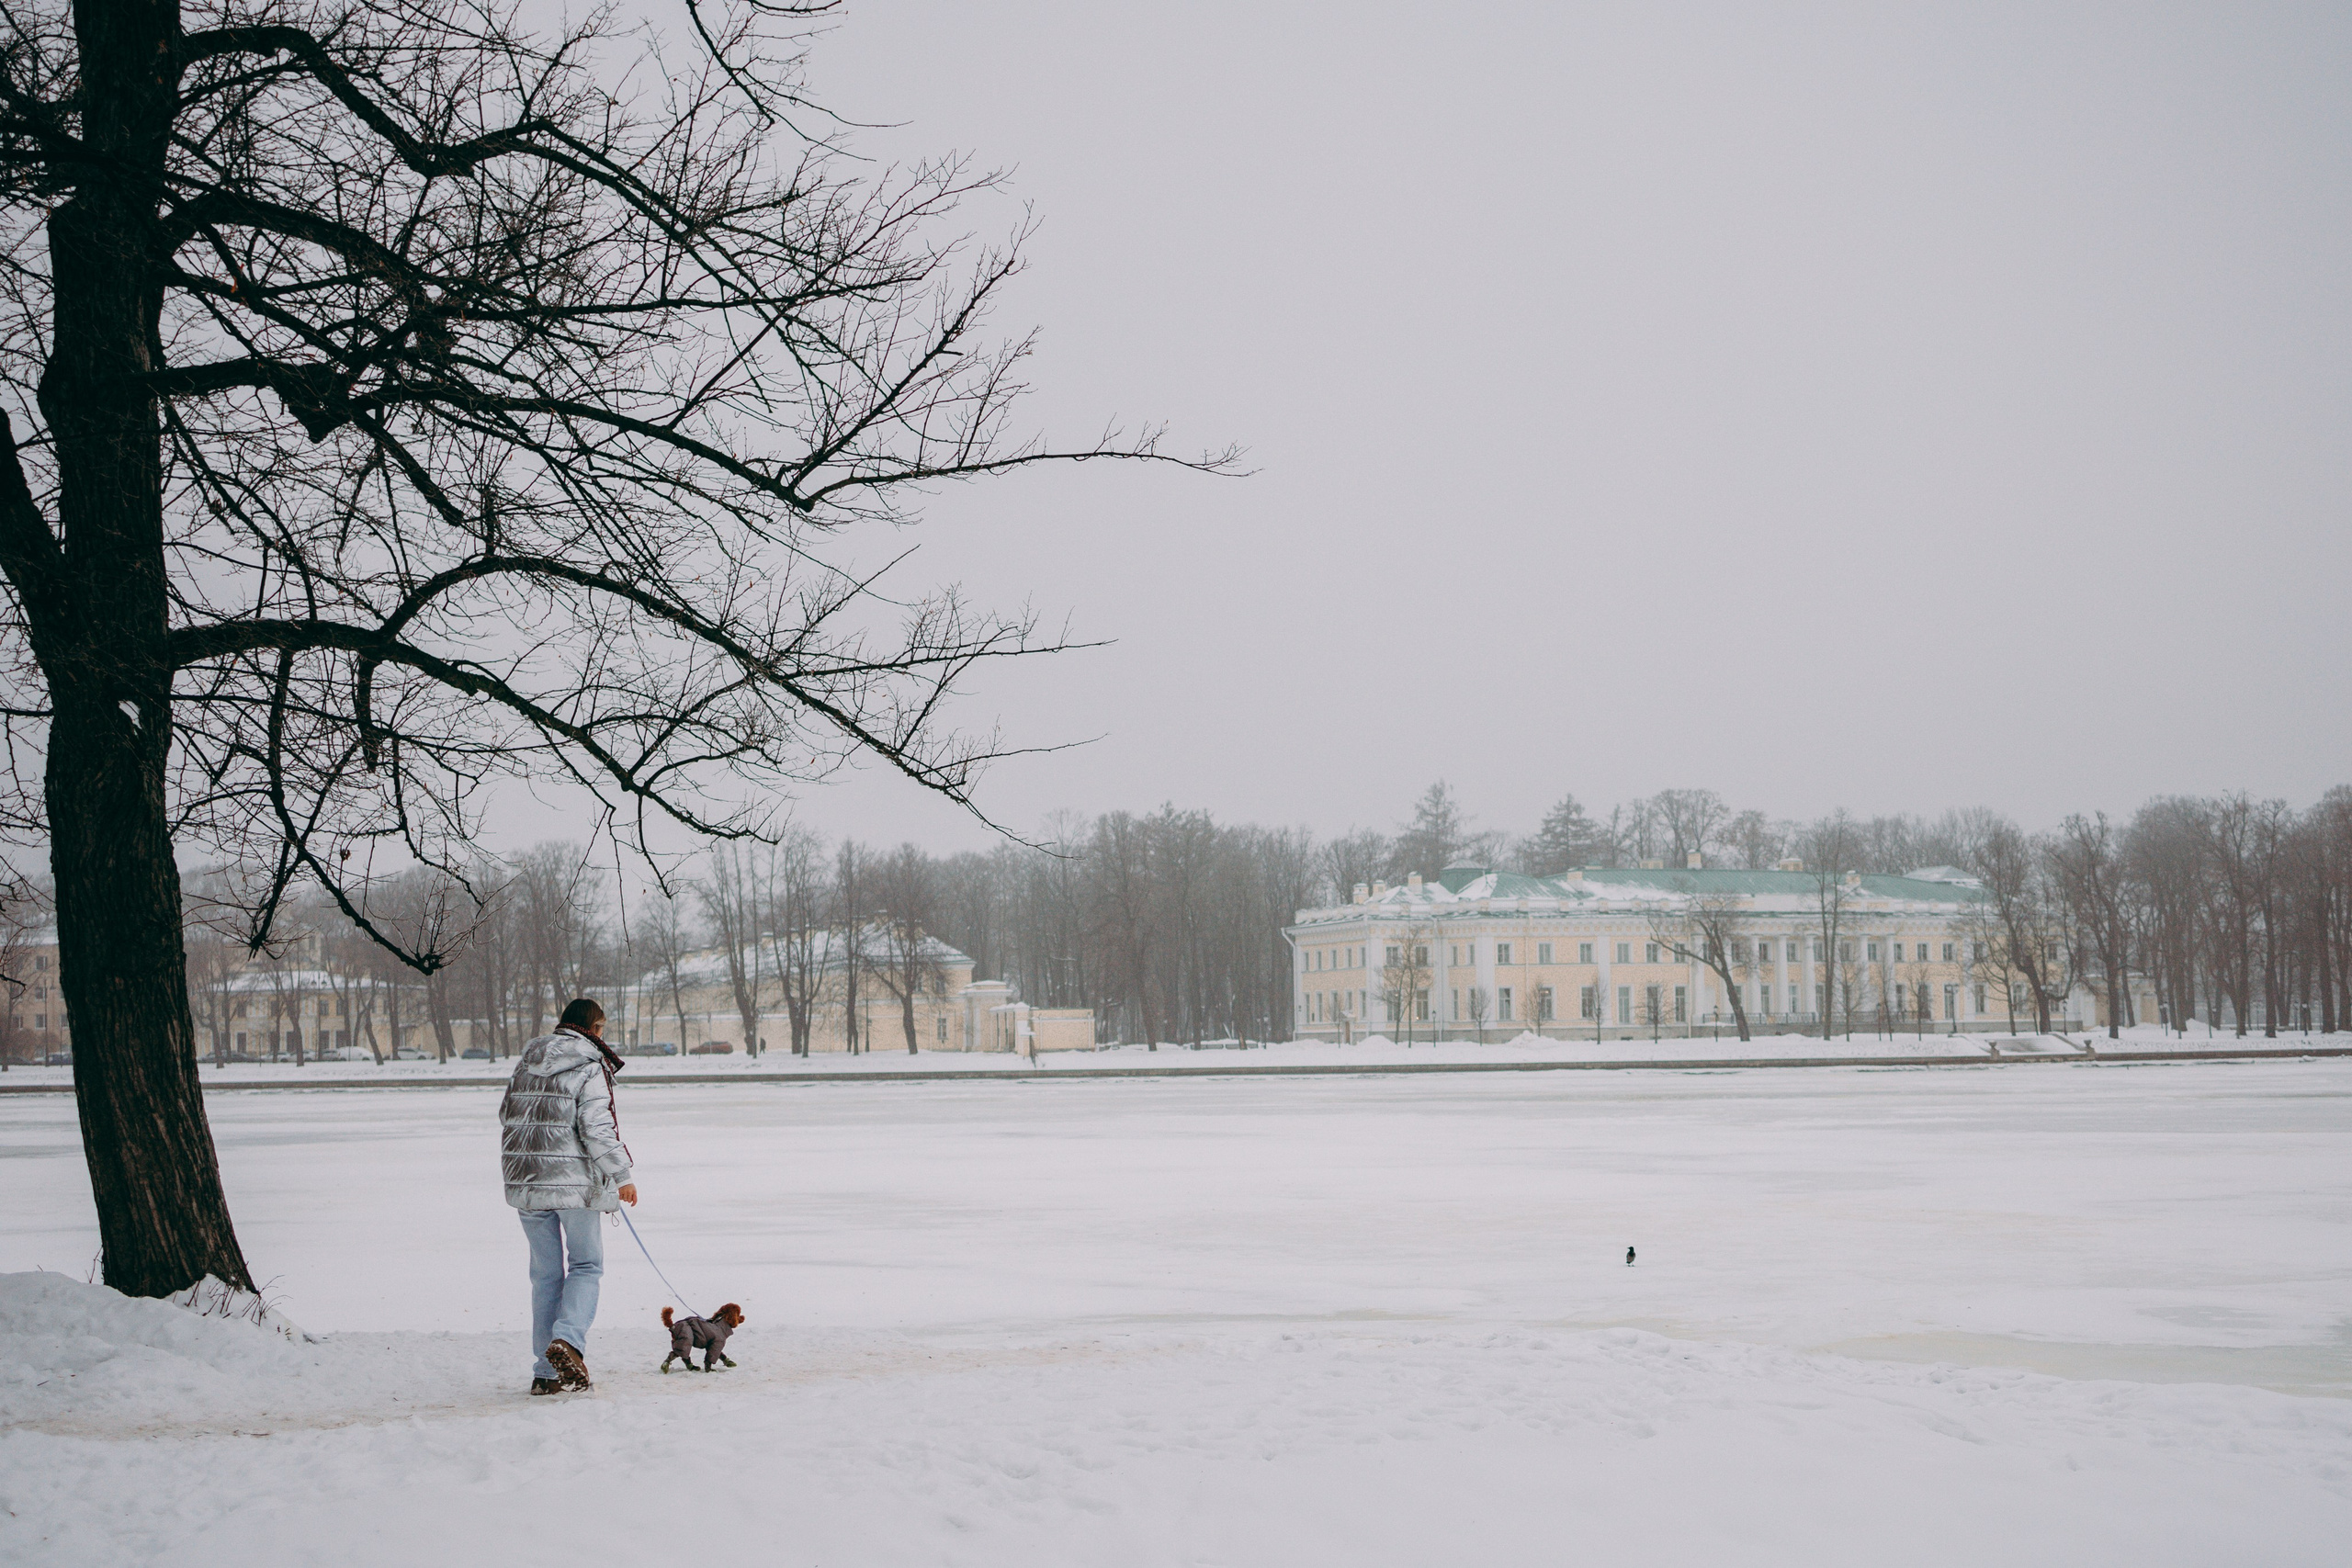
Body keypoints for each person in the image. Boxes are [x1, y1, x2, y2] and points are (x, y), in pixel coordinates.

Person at [500, 998, 637, 1394]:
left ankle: (545, 1372)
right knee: (586, 1266)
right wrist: (621, 1175)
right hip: (573, 1185)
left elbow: (507, 1116)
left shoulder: (526, 1063)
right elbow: (596, 1126)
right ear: (592, 1029)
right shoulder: (590, 1065)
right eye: (602, 1028)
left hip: (526, 1182)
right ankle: (568, 1342)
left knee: (545, 1276)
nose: (603, 1035)